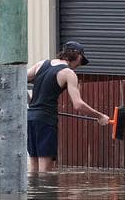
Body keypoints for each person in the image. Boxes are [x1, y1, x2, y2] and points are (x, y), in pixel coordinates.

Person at [26, 41, 110, 173]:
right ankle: (44, 194)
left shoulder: (41, 64)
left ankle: (32, 193)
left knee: (33, 166)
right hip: (46, 121)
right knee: (45, 171)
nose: (79, 65)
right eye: (81, 60)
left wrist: (30, 102)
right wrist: (100, 116)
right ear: (77, 56)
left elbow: (18, 80)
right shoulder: (68, 73)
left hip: (30, 118)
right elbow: (78, 104)